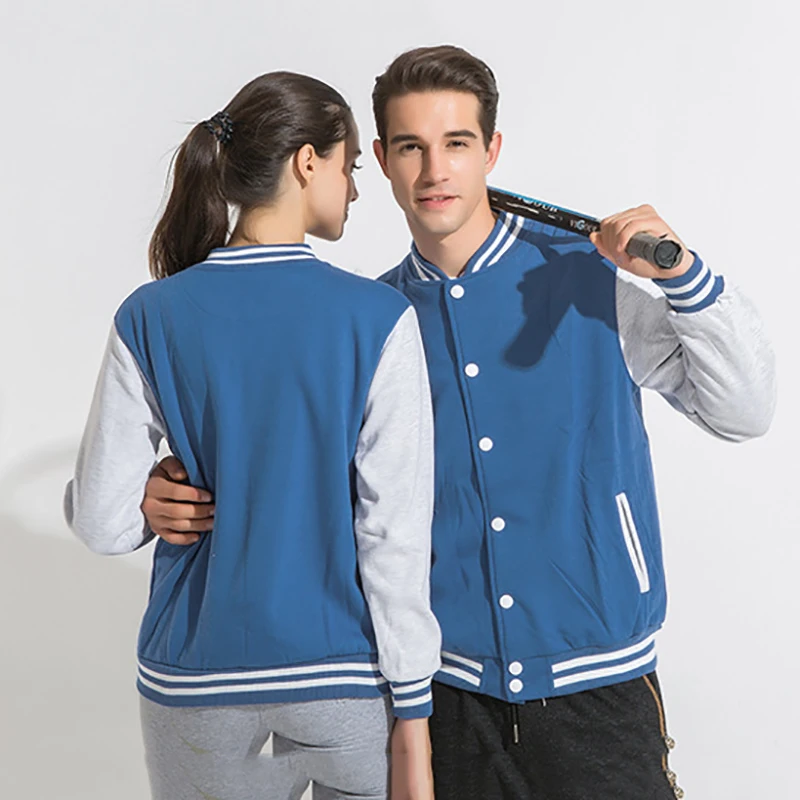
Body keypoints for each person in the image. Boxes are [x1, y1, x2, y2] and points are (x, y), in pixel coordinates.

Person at [141, 46, 777, 800]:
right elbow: (306, 488)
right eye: (411, 147)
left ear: (491, 151)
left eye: (457, 143)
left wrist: (684, 277)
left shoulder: (589, 282)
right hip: (442, 699)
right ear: (380, 161)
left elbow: (744, 411)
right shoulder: (370, 322)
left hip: (599, 689)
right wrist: (170, 490)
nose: (435, 170)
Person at [64, 70, 441, 800]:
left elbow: (103, 526)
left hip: (195, 680)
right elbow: (393, 536)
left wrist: (146, 497)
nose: (355, 190)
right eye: (350, 167)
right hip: (340, 678)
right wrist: (414, 707)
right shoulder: (379, 318)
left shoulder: (150, 315)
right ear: (307, 162)